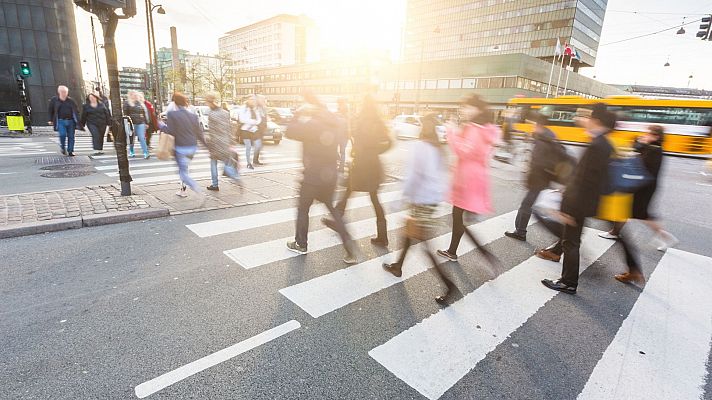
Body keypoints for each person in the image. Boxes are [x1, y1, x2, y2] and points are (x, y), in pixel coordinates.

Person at [541, 104, 636, 294]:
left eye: (590, 119)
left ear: (597, 121)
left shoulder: (596, 146)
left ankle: (568, 282)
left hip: (577, 203)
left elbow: (583, 181)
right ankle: (568, 280)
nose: (587, 122)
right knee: (572, 242)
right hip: (587, 202)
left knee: (571, 243)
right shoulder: (606, 144)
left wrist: (566, 206)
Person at [382, 113, 453, 302]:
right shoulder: (438, 148)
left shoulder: (420, 147)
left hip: (422, 200)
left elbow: (414, 177)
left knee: (424, 245)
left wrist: (400, 198)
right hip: (431, 200)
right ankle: (398, 266)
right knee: (409, 234)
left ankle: (449, 285)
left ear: (423, 127)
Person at [286, 91, 357, 265]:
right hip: (329, 176)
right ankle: (350, 248)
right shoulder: (334, 122)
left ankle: (301, 243)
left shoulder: (312, 123)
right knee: (332, 209)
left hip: (312, 177)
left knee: (303, 209)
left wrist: (298, 113)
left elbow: (289, 132)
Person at [437, 94, 500, 267]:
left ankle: (486, 256)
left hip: (467, 180)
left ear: (476, 109)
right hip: (475, 178)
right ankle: (453, 251)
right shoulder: (484, 128)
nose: (463, 110)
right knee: (458, 217)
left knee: (458, 217)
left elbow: (463, 151)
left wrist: (450, 132)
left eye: (466, 107)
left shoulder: (474, 128)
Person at [322, 95, 391, 247]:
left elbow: (357, 142)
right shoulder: (378, 122)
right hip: (373, 165)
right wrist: (374, 151)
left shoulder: (361, 121)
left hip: (361, 165)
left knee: (349, 190)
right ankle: (382, 236)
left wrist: (361, 151)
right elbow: (388, 143)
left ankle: (337, 219)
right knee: (373, 199)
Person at [597, 125, 678, 253]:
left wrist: (640, 145)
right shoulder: (650, 148)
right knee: (626, 210)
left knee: (643, 215)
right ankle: (614, 232)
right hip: (639, 185)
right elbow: (635, 152)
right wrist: (639, 143)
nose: (645, 135)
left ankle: (666, 237)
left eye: (648, 134)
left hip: (644, 188)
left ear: (656, 136)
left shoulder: (655, 150)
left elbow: (640, 164)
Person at [505, 113, 566, 241]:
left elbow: (537, 162)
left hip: (538, 180)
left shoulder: (541, 140)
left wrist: (529, 176)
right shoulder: (552, 136)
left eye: (533, 124)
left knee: (526, 206)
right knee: (535, 206)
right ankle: (522, 231)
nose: (532, 127)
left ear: (538, 125)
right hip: (547, 179)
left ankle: (520, 232)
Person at [160, 92, 208, 200]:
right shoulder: (193, 116)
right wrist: (207, 147)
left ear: (175, 103)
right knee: (184, 169)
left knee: (183, 174)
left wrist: (162, 126)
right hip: (192, 148)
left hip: (180, 148)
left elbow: (171, 132)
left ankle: (198, 190)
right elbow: (199, 133)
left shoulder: (172, 115)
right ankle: (183, 189)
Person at [204, 93, 242, 191]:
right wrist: (231, 141)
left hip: (216, 143)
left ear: (209, 102)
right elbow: (229, 128)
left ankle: (215, 184)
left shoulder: (211, 114)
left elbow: (212, 131)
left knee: (213, 163)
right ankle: (236, 177)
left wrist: (208, 142)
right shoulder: (225, 112)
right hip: (225, 142)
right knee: (227, 163)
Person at [47, 85, 80, 156]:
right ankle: (62, 147)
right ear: (59, 92)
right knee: (62, 134)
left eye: (65, 92)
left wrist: (77, 120)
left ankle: (71, 151)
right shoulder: (54, 100)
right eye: (62, 92)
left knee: (71, 136)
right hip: (60, 121)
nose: (64, 93)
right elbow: (50, 110)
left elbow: (76, 110)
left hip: (71, 121)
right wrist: (50, 119)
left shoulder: (71, 101)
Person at [123, 90, 150, 159]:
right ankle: (131, 151)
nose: (135, 96)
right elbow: (125, 114)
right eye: (133, 95)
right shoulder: (126, 103)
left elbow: (144, 113)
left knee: (142, 138)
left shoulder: (140, 103)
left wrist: (146, 123)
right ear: (130, 95)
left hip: (141, 122)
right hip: (131, 123)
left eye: (136, 95)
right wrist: (126, 123)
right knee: (132, 139)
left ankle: (145, 152)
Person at [239, 96, 262, 170]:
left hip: (254, 129)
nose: (253, 101)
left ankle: (255, 160)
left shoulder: (256, 109)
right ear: (248, 100)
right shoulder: (243, 108)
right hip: (245, 129)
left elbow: (259, 119)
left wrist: (255, 122)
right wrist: (252, 122)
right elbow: (242, 119)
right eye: (251, 100)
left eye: (254, 100)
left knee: (258, 145)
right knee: (248, 146)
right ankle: (249, 163)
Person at [336, 98, 351, 175]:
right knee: (342, 152)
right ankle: (341, 167)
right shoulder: (346, 114)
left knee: (339, 151)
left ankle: (340, 167)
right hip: (343, 136)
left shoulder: (341, 113)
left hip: (341, 135)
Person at [252, 95, 268, 166]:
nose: (264, 101)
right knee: (258, 145)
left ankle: (256, 159)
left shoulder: (263, 109)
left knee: (259, 145)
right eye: (263, 100)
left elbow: (265, 118)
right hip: (256, 130)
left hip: (261, 130)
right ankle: (255, 160)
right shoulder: (256, 109)